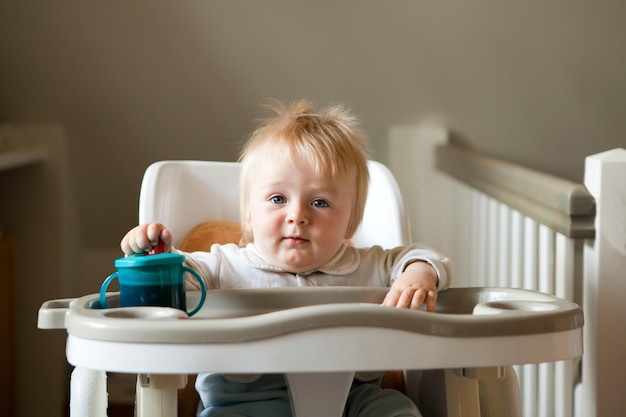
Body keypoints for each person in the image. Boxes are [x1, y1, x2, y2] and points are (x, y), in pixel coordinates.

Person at [121, 99, 452, 417]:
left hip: (353, 398)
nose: (298, 215)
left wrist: (418, 274)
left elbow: (419, 255)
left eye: (320, 202)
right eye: (278, 198)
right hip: (244, 402)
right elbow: (181, 276)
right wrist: (154, 254)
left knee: (394, 409)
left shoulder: (368, 265)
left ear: (350, 221)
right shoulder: (225, 265)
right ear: (249, 216)